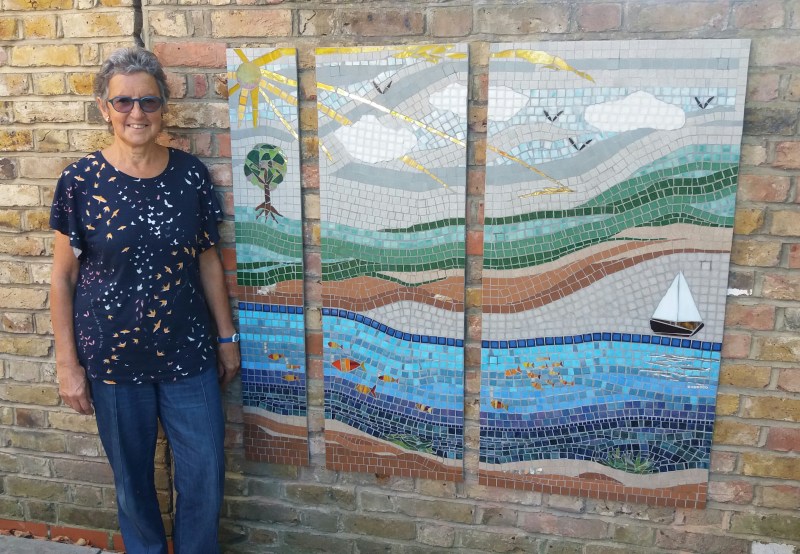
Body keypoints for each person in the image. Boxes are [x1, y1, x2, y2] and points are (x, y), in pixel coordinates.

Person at [49, 46, 240, 554]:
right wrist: (68, 364)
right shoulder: (79, 181)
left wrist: (227, 338)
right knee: (132, 486)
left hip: (188, 354)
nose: (137, 112)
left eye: (149, 101)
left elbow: (208, 260)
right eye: (123, 102)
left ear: (163, 107)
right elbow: (63, 279)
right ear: (104, 108)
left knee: (205, 476)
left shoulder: (190, 175)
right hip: (112, 362)